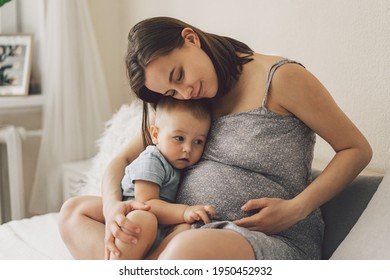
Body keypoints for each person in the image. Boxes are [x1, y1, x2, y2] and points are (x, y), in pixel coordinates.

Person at [59, 16, 372, 260]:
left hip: (265, 238)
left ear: (191, 38)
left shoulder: (281, 79)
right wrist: (114, 208)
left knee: (185, 251)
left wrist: (296, 208)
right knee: (74, 213)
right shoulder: (183, 100)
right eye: (170, 92)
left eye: (178, 75)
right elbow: (121, 161)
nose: (183, 93)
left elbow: (355, 149)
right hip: (176, 225)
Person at [113, 97, 214, 260]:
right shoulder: (152, 159)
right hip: (136, 222)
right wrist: (185, 211)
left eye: (198, 141)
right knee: (144, 219)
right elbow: (147, 204)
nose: (188, 149)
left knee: (187, 229)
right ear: (155, 135)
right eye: (179, 138)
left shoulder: (177, 164)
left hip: (159, 228)